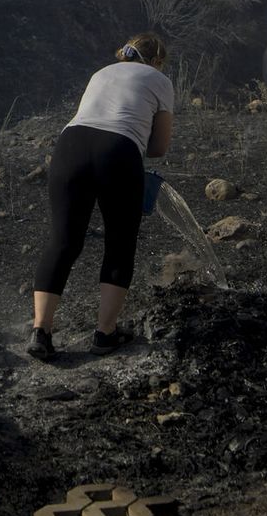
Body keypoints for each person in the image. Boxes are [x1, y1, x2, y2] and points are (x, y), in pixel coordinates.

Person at [26, 32, 174, 362]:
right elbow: (159, 148)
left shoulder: (102, 73)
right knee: (120, 244)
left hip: (70, 146)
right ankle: (105, 334)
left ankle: (41, 331)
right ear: (158, 60)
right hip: (118, 152)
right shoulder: (159, 80)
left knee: (63, 242)